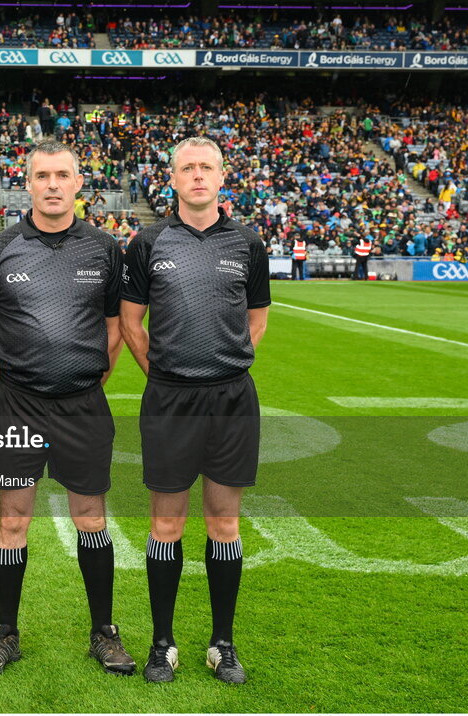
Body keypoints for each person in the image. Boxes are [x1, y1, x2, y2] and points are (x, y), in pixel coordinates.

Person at [0, 140, 135, 677]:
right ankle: (5, 631)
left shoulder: (107, 249)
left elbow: (115, 330)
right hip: (18, 405)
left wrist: (86, 379)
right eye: (43, 175)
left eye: (63, 175)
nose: (54, 184)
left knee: (92, 518)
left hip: (84, 405)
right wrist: (15, 382)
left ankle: (103, 631)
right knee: (12, 520)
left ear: (79, 183)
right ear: (29, 183)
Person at [119, 137, 270, 685]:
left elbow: (257, 318)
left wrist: (230, 361)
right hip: (170, 398)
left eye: (207, 167)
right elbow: (131, 322)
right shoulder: (149, 241)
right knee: (166, 522)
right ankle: (163, 643)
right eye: (188, 167)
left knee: (223, 521)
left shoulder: (249, 243)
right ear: (174, 178)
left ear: (223, 176)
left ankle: (222, 643)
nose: (198, 175)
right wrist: (161, 374)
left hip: (231, 397)